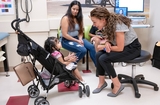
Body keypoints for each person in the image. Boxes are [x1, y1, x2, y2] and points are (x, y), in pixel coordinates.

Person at [90, 7, 141, 97]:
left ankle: (117, 85)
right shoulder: (107, 23)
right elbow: (112, 39)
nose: (93, 25)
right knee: (98, 55)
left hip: (132, 48)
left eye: (94, 22)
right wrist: (107, 43)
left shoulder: (118, 25)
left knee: (104, 58)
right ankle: (102, 82)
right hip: (124, 46)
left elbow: (120, 48)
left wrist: (103, 47)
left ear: (102, 19)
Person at [60, 0, 96, 66]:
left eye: (77, 10)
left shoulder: (79, 18)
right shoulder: (65, 18)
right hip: (66, 40)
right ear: (70, 8)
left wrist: (80, 39)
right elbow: (64, 34)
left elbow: (80, 32)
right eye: (74, 9)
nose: (75, 11)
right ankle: (70, 66)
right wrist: (77, 40)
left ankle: (99, 70)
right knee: (82, 50)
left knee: (92, 47)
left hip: (77, 38)